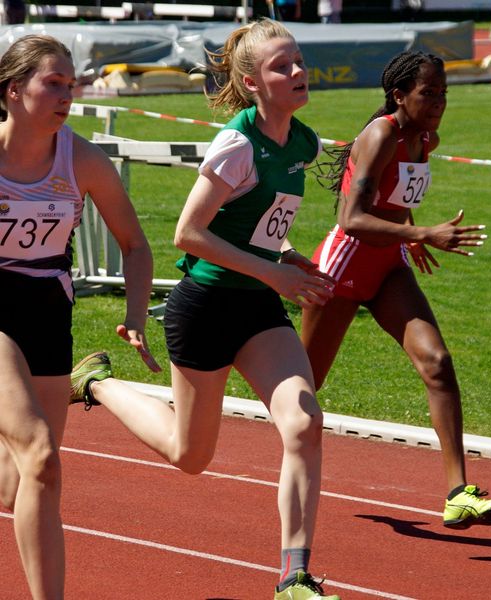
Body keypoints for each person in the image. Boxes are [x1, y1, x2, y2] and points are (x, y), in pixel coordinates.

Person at [70, 19, 340, 600]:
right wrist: (273, 270)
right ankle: (97, 385)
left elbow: (260, 229)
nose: (297, 72)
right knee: (189, 456)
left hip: (258, 308)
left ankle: (294, 576)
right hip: (204, 307)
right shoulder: (238, 144)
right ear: (251, 82)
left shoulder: (302, 140)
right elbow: (188, 233)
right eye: (281, 67)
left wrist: (289, 257)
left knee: (304, 422)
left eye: (298, 61)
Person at [301, 50, 491, 531]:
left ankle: (459, 492)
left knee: (437, 363)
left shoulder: (425, 138)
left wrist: (409, 230)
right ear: (399, 94)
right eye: (428, 92)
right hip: (345, 267)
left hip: (388, 266)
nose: (438, 102)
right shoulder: (380, 135)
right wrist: (422, 235)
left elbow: (398, 195)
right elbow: (349, 219)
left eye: (443, 93)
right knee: (301, 386)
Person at [0, 34, 158, 600]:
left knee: (23, 481)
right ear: (14, 90)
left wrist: (135, 315)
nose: (68, 94)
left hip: (47, 310)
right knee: (40, 453)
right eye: (54, 83)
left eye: (73, 84)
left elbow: (136, 245)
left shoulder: (82, 158)